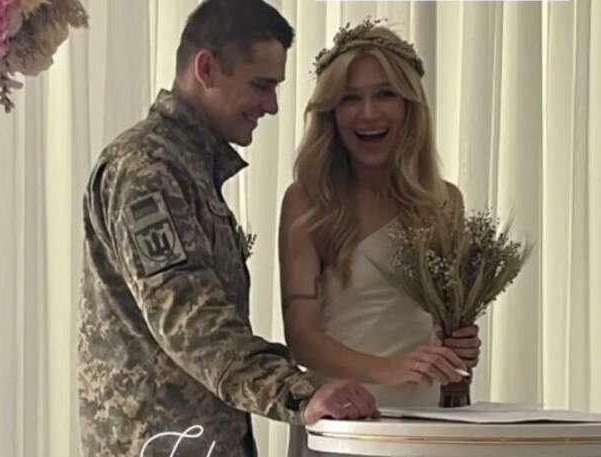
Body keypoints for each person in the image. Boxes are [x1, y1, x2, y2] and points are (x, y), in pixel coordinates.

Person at [78, 2, 379, 457]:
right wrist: (299, 394)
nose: (271, 106)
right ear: (206, 69)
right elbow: (189, 318)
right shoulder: (145, 170)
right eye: (261, 85)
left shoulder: (186, 168)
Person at [278, 20, 482, 457]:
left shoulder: (446, 202)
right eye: (350, 98)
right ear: (331, 112)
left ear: (410, 106)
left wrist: (460, 348)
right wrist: (391, 370)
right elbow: (302, 337)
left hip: (428, 424)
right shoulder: (307, 201)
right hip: (342, 423)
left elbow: (445, 325)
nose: (368, 113)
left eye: (385, 94)